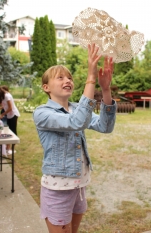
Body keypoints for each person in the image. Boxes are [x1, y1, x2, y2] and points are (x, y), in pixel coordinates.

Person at [33, 43, 117, 233]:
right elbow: (76, 122)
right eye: (60, 77)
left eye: (69, 77)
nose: (68, 80)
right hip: (58, 190)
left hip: (79, 187)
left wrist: (105, 90)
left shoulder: (76, 108)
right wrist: (91, 77)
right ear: (46, 87)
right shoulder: (42, 113)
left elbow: (105, 126)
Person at [0, 84, 20, 154]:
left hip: (13, 114)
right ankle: (7, 147)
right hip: (8, 115)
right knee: (7, 130)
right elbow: (4, 106)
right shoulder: (3, 96)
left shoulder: (7, 96)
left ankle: (11, 148)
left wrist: (2, 114)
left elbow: (10, 108)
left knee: (13, 130)